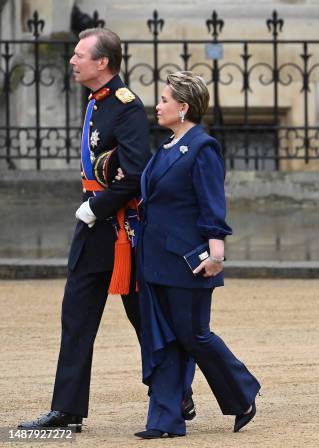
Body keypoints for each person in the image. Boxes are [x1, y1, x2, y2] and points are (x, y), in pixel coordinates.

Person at [18, 28, 194, 433]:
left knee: (145, 319)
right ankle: (66, 411)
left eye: (80, 55)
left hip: (120, 231)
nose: (72, 60)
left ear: (102, 63)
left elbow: (135, 174)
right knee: (76, 318)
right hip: (94, 226)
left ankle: (175, 394)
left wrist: (94, 208)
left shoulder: (125, 105)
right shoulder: (97, 101)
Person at [130, 71, 260, 439]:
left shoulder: (203, 147)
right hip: (155, 259)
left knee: (194, 334)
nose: (157, 106)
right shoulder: (166, 147)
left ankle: (242, 393)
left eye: (164, 100)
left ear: (183, 107)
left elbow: (212, 202)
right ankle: (164, 421)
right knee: (166, 338)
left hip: (190, 260)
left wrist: (217, 251)